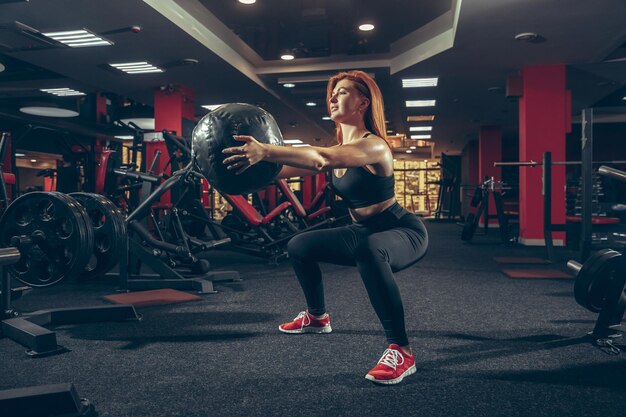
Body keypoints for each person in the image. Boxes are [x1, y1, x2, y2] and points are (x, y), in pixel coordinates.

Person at [222, 70, 429, 385]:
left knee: (370, 250)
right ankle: (317, 317)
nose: (333, 97)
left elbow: (319, 159)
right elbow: (274, 172)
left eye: (343, 91)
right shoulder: (339, 147)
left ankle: (401, 349)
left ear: (363, 102)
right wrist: (224, 170)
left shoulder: (373, 147)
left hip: (401, 230)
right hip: (362, 231)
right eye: (333, 92)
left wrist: (265, 149)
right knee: (299, 246)